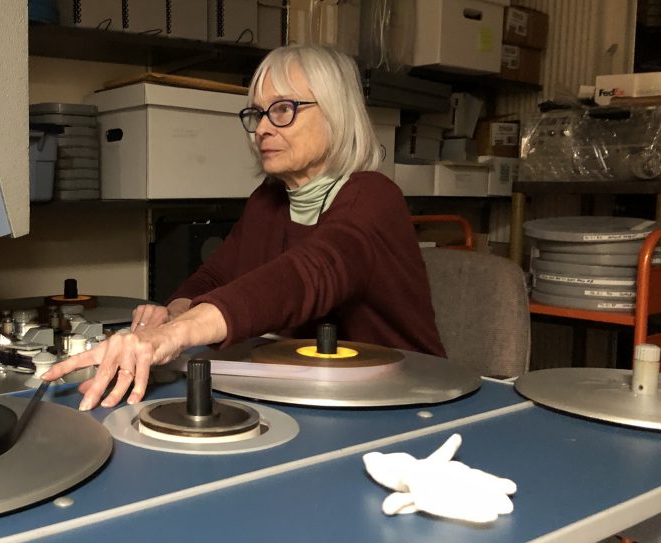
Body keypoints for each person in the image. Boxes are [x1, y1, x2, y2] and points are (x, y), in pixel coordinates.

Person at [43, 44, 445, 410]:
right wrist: (170, 314)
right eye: (256, 114)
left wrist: (174, 336)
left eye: (284, 109)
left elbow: (307, 275)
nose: (263, 129)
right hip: (317, 395)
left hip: (403, 401)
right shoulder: (268, 200)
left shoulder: (374, 198)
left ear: (336, 112)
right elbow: (216, 275)